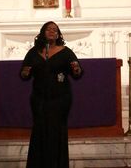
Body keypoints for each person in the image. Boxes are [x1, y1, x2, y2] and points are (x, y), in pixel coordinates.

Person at [20, 21, 83, 168]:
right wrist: (25, 72)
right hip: (39, 99)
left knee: (57, 131)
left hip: (60, 99)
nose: (52, 31)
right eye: (48, 29)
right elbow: (24, 74)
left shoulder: (65, 51)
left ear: (58, 34)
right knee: (40, 130)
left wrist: (76, 69)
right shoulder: (34, 52)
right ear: (43, 32)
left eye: (55, 30)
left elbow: (77, 73)